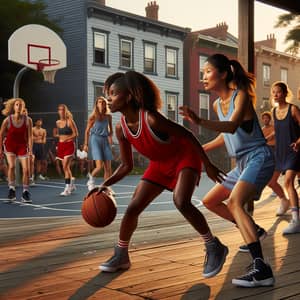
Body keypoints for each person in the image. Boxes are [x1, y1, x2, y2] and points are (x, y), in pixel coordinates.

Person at [96, 70, 228, 279]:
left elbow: (188, 135)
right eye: (107, 94)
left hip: (184, 156)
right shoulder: (121, 129)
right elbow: (126, 166)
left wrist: (208, 165)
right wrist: (104, 184)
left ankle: (214, 246)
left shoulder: (151, 118)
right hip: (160, 164)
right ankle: (121, 254)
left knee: (181, 201)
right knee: (132, 208)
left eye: (112, 93)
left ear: (128, 96)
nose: (108, 98)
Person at [180, 54, 275, 287]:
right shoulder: (215, 104)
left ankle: (261, 268)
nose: (204, 77)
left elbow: (232, 126)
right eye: (203, 73)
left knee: (234, 202)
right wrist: (200, 148)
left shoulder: (240, 96)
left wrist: (199, 121)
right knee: (210, 201)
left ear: (223, 74)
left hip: (259, 157)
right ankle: (254, 229)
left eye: (208, 71)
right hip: (242, 163)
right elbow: (225, 134)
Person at [271, 81, 300, 234]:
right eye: (273, 92)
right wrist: (265, 139)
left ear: (285, 93)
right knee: (271, 181)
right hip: (279, 152)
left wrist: (298, 142)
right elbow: (277, 132)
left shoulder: (293, 109)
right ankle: (284, 200)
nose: (275, 95)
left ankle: (296, 220)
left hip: (293, 151)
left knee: (288, 181)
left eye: (278, 92)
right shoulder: (274, 111)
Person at [0, 98, 33, 203]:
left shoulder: (28, 120)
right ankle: (12, 190)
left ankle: (25, 193)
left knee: (26, 170)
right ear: (14, 107)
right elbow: (1, 134)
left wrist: (30, 150)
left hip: (22, 146)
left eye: (21, 105)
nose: (19, 106)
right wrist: (0, 148)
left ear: (23, 107)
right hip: (10, 146)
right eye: (17, 104)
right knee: (12, 166)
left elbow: (30, 137)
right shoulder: (7, 120)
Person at [261, 111, 289, 215]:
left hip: (278, 152)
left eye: (266, 118)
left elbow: (279, 135)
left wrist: (270, 137)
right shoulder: (262, 130)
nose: (265, 120)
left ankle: (287, 201)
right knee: (270, 182)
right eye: (263, 118)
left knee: (282, 181)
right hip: (268, 154)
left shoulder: (275, 127)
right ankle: (286, 200)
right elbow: (262, 142)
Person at [84, 97, 113, 191]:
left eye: (103, 102)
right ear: (96, 104)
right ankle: (91, 180)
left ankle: (106, 187)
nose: (101, 104)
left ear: (105, 104)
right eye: (99, 102)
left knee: (108, 168)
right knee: (99, 167)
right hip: (95, 139)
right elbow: (87, 131)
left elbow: (111, 130)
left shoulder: (108, 116)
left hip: (105, 140)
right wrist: (85, 144)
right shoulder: (92, 117)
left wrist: (110, 138)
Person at [53, 104, 78, 196]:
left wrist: (67, 139)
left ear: (65, 111)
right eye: (59, 110)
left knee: (65, 166)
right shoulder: (57, 122)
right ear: (58, 111)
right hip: (61, 146)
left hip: (69, 145)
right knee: (66, 167)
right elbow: (57, 133)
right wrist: (59, 137)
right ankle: (72, 184)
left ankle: (67, 189)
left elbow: (76, 133)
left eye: (63, 110)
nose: (61, 111)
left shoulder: (70, 121)